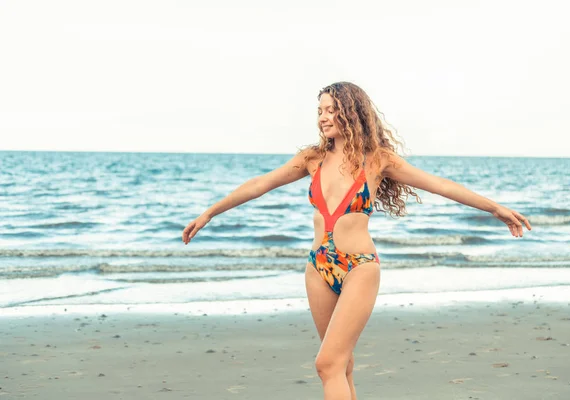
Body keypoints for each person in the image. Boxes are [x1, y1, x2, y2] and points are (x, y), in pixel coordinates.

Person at [182, 81, 532, 400]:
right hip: (318, 268)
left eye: (331, 109)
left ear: (351, 112)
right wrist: (210, 212)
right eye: (319, 111)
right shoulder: (312, 159)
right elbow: (259, 185)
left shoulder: (378, 160)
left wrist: (494, 208)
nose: (323, 117)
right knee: (340, 365)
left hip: (359, 269)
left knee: (327, 363)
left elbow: (440, 185)